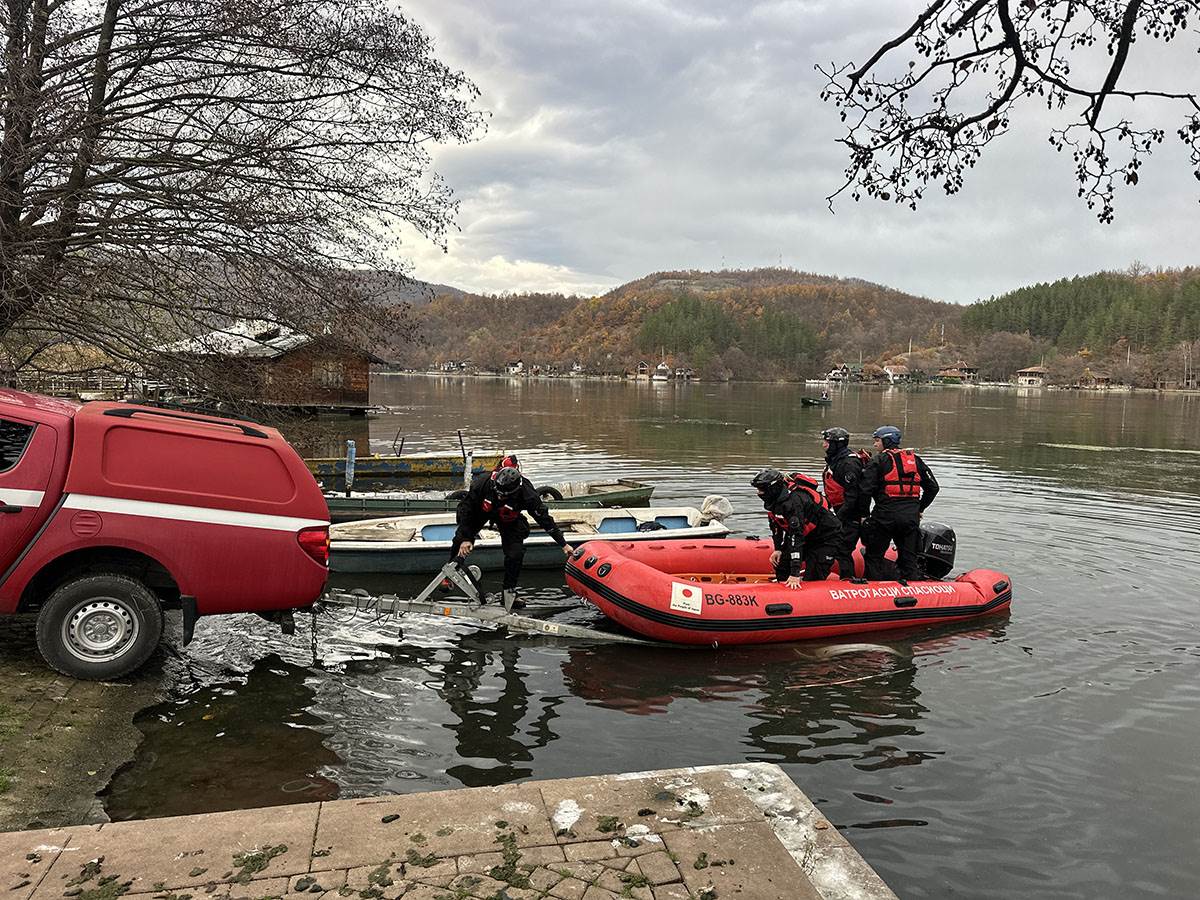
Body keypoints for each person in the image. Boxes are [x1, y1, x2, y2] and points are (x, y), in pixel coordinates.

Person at [450, 464, 571, 608]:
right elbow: (466, 508)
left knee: (515, 553)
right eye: (498, 492)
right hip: (481, 511)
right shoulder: (482, 483)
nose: (500, 496)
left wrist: (563, 544)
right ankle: (449, 575)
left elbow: (544, 519)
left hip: (508, 517)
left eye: (503, 495)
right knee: (459, 539)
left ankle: (508, 593)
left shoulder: (528, 494)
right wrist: (466, 538)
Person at [858, 426, 940, 584]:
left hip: (884, 517)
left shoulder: (878, 460)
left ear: (887, 441)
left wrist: (864, 515)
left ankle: (874, 591)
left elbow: (865, 490)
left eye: (877, 441)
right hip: (910, 518)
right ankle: (914, 591)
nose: (875, 445)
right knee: (909, 559)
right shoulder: (915, 460)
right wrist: (920, 508)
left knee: (873, 557)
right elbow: (933, 488)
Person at [750, 468, 842, 587]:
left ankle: (807, 596)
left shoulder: (793, 503)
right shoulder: (774, 501)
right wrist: (778, 548)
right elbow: (775, 526)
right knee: (782, 564)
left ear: (772, 488)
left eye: (761, 489)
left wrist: (795, 573)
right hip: (807, 535)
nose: (758, 493)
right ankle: (780, 592)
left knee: (813, 576)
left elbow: (796, 536)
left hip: (826, 537)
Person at [820, 427, 867, 582]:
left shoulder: (848, 464)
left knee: (842, 549)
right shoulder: (836, 461)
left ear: (837, 444)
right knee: (837, 547)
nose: (824, 445)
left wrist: (837, 519)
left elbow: (853, 497)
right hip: (841, 512)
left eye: (827, 442)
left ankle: (848, 580)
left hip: (851, 515)